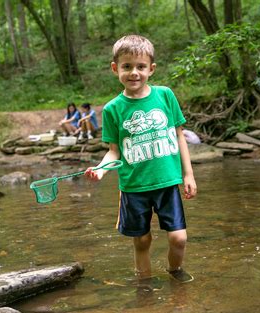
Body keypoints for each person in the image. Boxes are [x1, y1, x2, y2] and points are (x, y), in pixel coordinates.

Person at [84, 35, 197, 286]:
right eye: (127, 67)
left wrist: (188, 175)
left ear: (151, 69)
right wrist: (101, 170)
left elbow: (179, 136)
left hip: (167, 182)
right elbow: (114, 151)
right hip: (134, 187)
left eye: (140, 67)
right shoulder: (114, 109)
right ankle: (143, 283)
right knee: (142, 240)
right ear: (115, 69)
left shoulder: (165, 96)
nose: (134, 72)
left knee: (179, 238)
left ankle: (175, 272)